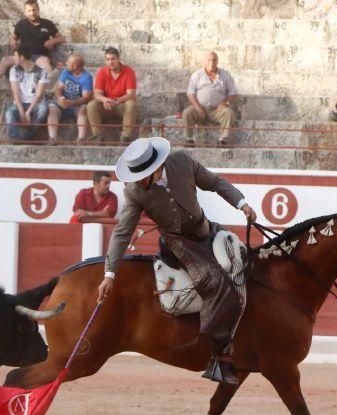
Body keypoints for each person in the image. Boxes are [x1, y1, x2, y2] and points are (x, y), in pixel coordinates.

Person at [98, 138, 257, 385]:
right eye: (137, 175)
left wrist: (241, 203)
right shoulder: (135, 191)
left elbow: (213, 182)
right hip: (178, 242)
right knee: (214, 281)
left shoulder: (181, 161)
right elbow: (122, 232)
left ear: (157, 167)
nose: (139, 180)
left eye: (144, 175)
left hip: (204, 229)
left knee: (242, 261)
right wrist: (109, 274)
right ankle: (217, 356)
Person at [0, 0, 64, 81]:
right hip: (22, 57)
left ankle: (50, 82)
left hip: (39, 57)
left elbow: (61, 38)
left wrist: (52, 41)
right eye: (29, 11)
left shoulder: (47, 24)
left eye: (34, 10)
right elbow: (13, 36)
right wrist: (13, 41)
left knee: (45, 61)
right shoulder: (21, 24)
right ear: (25, 12)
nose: (32, 13)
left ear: (38, 10)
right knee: (5, 60)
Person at [182, 51, 240, 146]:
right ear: (204, 62)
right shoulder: (197, 75)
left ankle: (223, 140)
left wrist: (225, 103)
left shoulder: (225, 75)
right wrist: (198, 107)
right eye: (209, 60)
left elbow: (233, 93)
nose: (211, 63)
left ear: (217, 62)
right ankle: (189, 139)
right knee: (187, 112)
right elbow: (190, 93)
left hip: (217, 110)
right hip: (200, 109)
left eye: (214, 60)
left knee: (229, 113)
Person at [87, 47, 138, 143]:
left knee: (131, 104)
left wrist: (117, 101)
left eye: (113, 59)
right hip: (107, 105)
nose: (111, 62)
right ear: (105, 61)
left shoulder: (128, 71)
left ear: (119, 59)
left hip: (121, 105)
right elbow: (97, 94)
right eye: (108, 59)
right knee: (91, 105)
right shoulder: (102, 72)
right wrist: (104, 100)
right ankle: (97, 136)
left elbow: (131, 94)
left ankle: (126, 137)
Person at [5, 44, 49, 142]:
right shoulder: (13, 70)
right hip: (20, 102)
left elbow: (39, 95)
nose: (14, 58)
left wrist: (28, 111)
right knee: (9, 113)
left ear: (22, 57)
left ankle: (29, 136)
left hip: (36, 102)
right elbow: (15, 93)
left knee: (42, 109)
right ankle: (15, 137)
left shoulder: (42, 71)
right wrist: (21, 111)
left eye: (15, 56)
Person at [48, 53, 92, 143]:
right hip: (63, 103)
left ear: (74, 66)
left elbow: (86, 98)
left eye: (68, 62)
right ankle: (52, 138)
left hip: (77, 105)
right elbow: (58, 88)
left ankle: (81, 139)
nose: (66, 63)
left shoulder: (87, 77)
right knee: (52, 108)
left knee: (83, 110)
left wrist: (70, 103)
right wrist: (60, 97)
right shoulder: (65, 72)